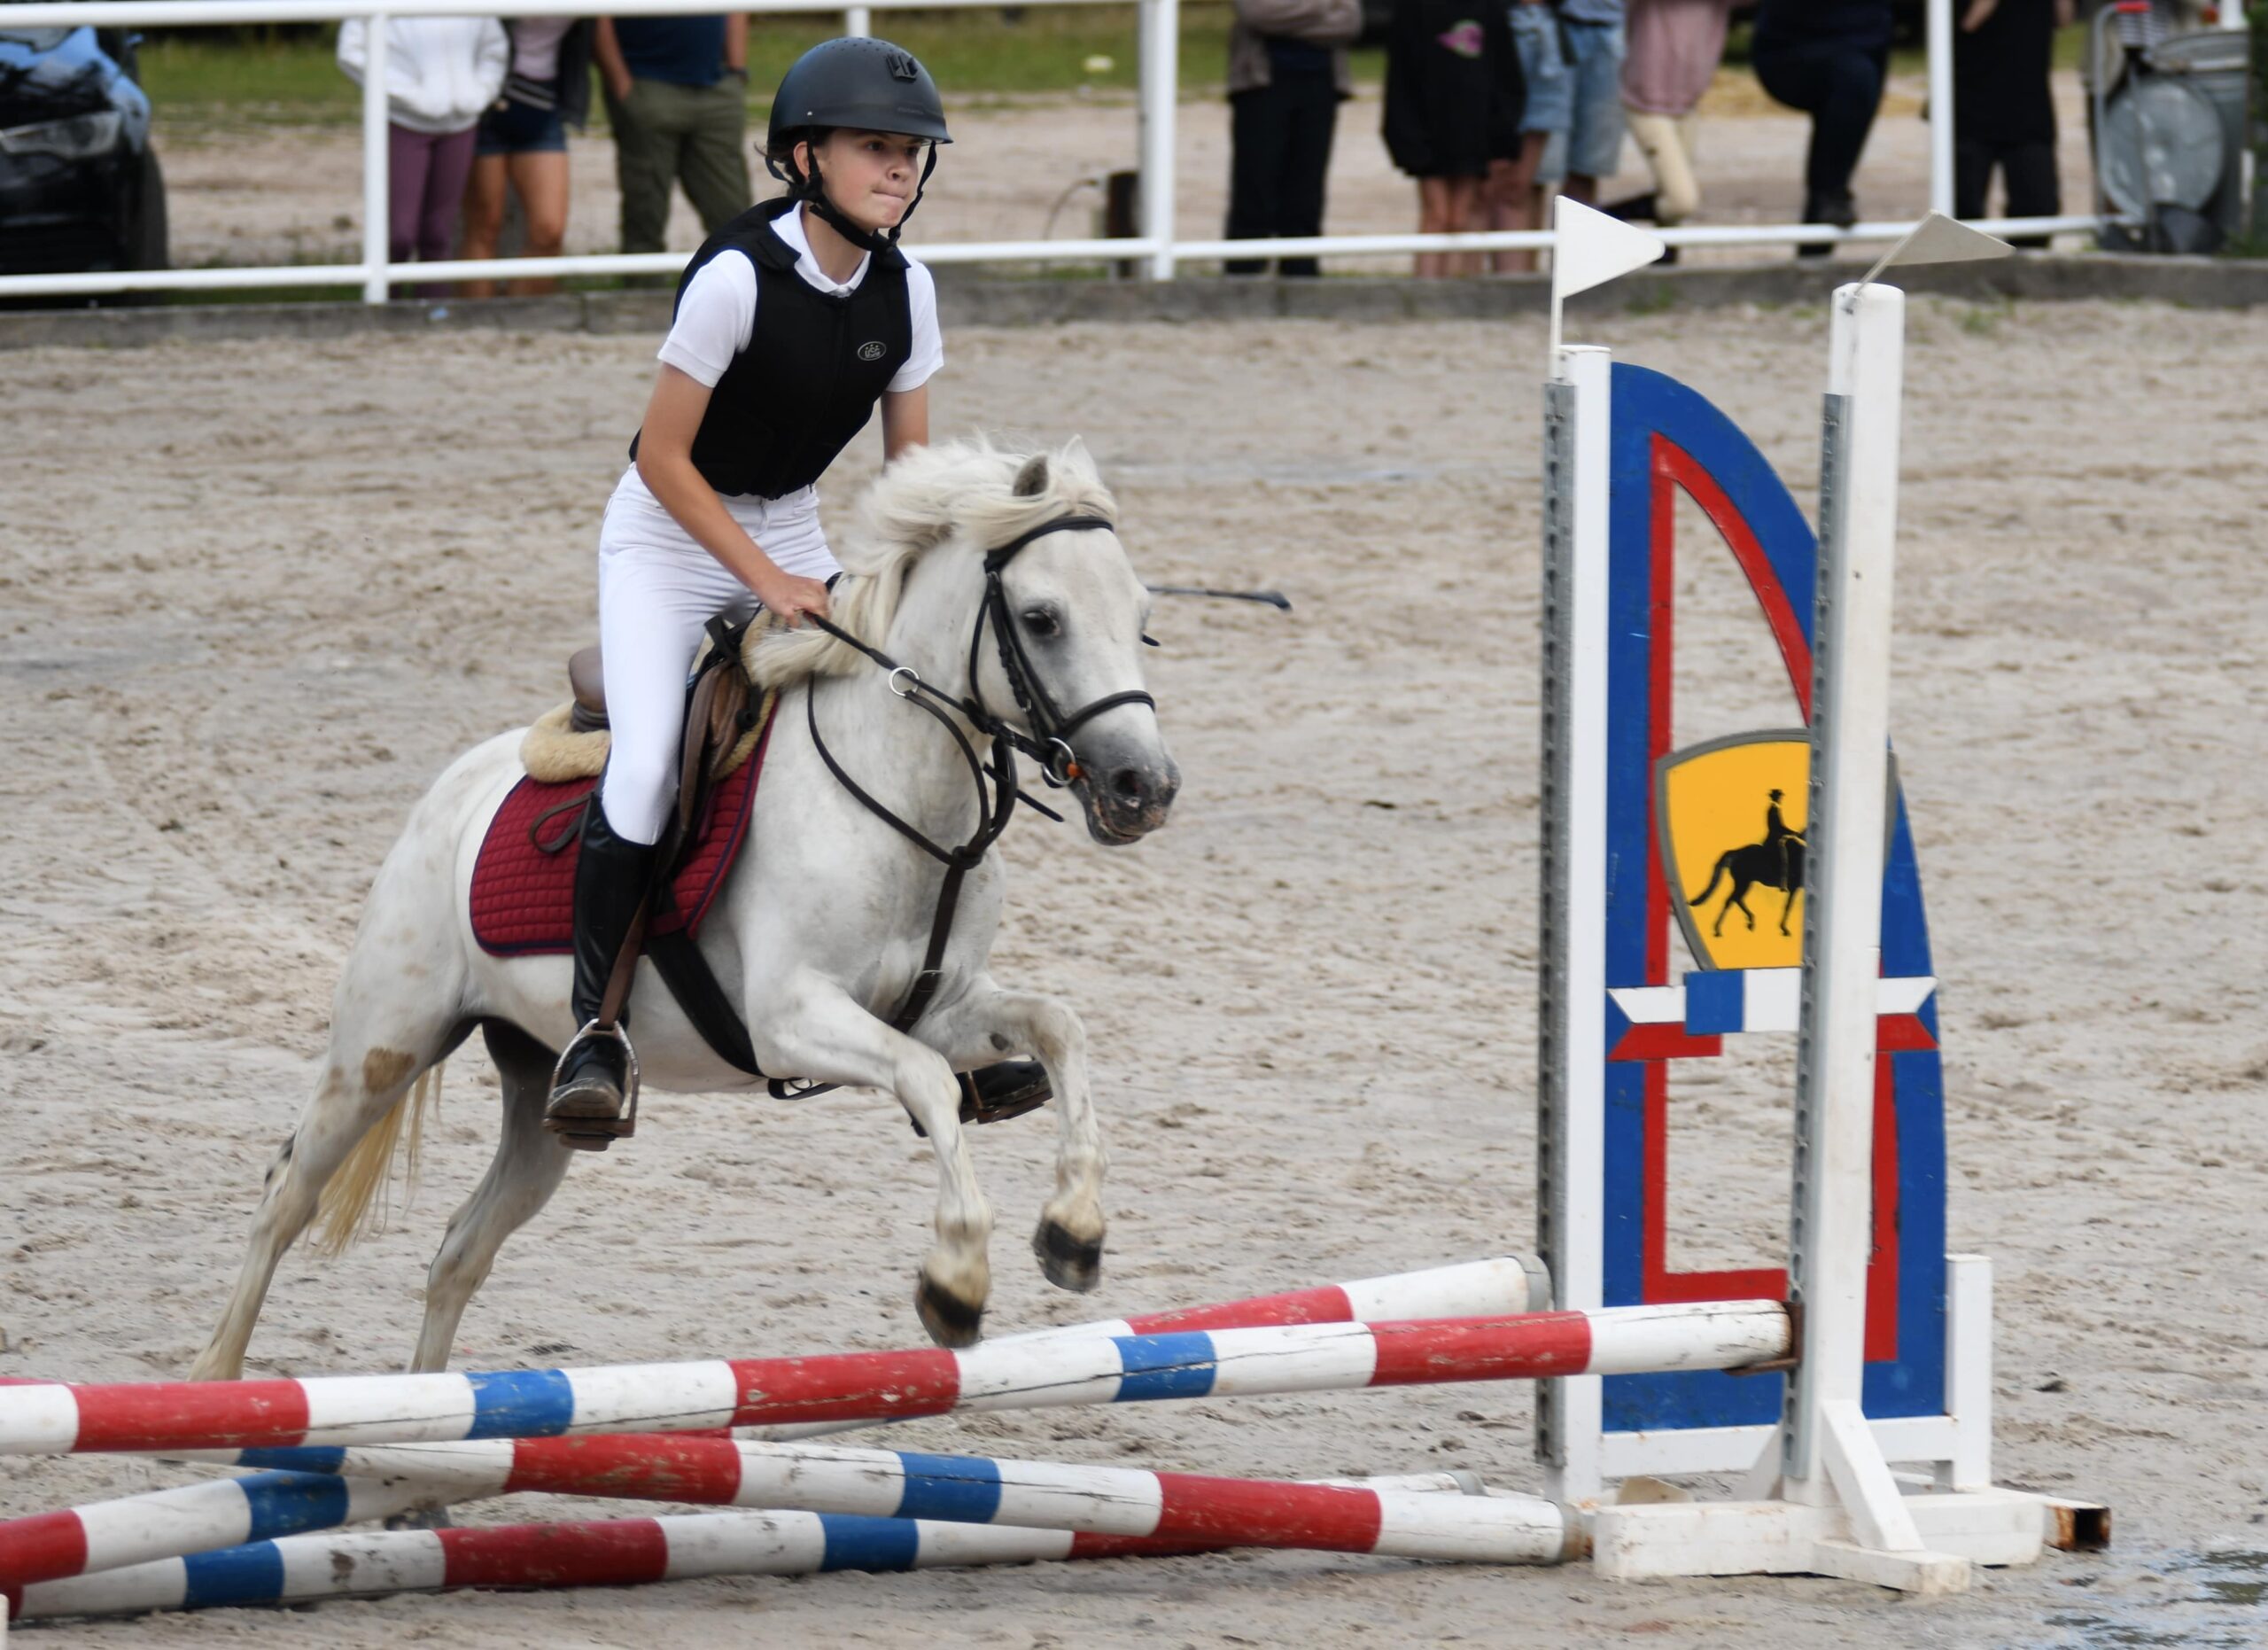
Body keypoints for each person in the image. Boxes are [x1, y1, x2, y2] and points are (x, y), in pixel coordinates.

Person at [547, 39, 950, 1132]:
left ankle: (930, 992)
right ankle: (595, 1030)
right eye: (876, 149)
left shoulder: (906, 291)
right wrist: (768, 579)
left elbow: (908, 479)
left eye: (912, 153)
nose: (899, 170)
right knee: (639, 772)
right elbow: (664, 462)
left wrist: (911, 591)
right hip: (667, 539)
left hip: (794, 524)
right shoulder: (734, 277)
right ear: (803, 157)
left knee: (902, 703)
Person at [337, 13, 508, 297]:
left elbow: (494, 48)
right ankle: (385, 303)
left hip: (460, 123)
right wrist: (409, 94)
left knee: (439, 233)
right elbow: (351, 51)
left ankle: (433, 310)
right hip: (404, 121)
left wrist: (477, 93)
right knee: (399, 234)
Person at [1382, 0, 1524, 277]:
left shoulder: (1488, 10)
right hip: (1428, 132)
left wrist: (1502, 140)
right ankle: (1424, 294)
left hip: (1473, 133)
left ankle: (1461, 293)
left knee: (1463, 216)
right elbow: (1400, 80)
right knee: (1437, 214)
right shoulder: (1413, 11)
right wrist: (1406, 139)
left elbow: (1507, 80)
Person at [594, 11, 752, 258]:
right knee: (646, 213)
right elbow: (598, 15)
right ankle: (642, 292)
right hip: (646, 82)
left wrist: (736, 70)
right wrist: (622, 85)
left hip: (716, 85)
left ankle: (746, 291)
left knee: (735, 215)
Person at [1223, 0, 1364, 276]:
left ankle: (1301, 275)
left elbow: (1350, 22)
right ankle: (1243, 275)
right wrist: (1324, 7)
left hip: (1320, 85)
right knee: (1255, 183)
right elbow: (1259, 14)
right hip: (1261, 84)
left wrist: (1289, 16)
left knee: (1307, 187)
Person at [460, 16, 594, 298]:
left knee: (549, 230)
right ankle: (477, 320)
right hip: (490, 96)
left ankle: (521, 316)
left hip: (544, 102)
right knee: (484, 224)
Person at [1749, 0, 1893, 253]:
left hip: (1869, 42)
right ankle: (1828, 204)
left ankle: (1815, 257)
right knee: (1855, 79)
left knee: (1837, 154)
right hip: (1793, 46)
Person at [1612, 0, 1734, 234]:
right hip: (1646, 103)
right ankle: (1605, 218)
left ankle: (1665, 266)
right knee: (1681, 200)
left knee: (1671, 211)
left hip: (1688, 104)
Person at [1953, 0, 2070, 244]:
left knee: (2038, 208)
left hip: (2030, 108)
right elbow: (1969, 21)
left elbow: (2064, 19)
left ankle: (2024, 277)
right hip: (1971, 105)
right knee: (1963, 211)